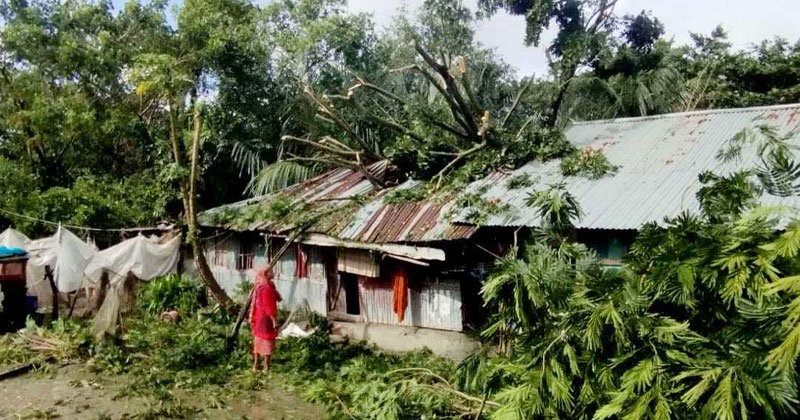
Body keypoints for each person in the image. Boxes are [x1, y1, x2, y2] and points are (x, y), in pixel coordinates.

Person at [250, 266, 282, 373]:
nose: (273, 272)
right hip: (266, 318)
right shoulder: (267, 287)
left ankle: (255, 365)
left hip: (258, 316)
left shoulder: (259, 285)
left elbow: (277, 298)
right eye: (271, 272)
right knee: (267, 341)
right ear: (266, 274)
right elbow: (268, 306)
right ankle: (266, 367)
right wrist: (274, 320)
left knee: (258, 340)